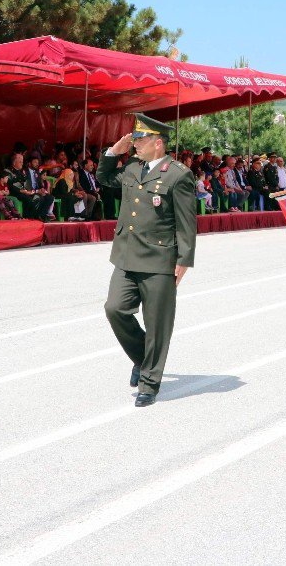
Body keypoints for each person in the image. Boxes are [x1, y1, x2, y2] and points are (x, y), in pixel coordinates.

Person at [97, 114, 197, 408]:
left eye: (140, 140)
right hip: (127, 255)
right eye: (135, 140)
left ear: (158, 142)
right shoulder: (131, 167)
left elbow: (186, 222)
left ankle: (150, 382)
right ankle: (142, 358)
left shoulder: (178, 175)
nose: (135, 144)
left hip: (159, 257)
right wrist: (112, 153)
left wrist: (184, 259)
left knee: (157, 324)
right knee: (114, 308)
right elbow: (104, 178)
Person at [6, 153, 55, 220]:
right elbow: (12, 185)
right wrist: (27, 191)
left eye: (22, 162)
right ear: (14, 163)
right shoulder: (8, 171)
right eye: (20, 162)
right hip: (16, 192)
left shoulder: (21, 173)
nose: (22, 164)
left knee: (49, 197)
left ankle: (40, 215)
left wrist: (39, 190)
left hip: (26, 191)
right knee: (32, 198)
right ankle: (29, 217)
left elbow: (26, 184)